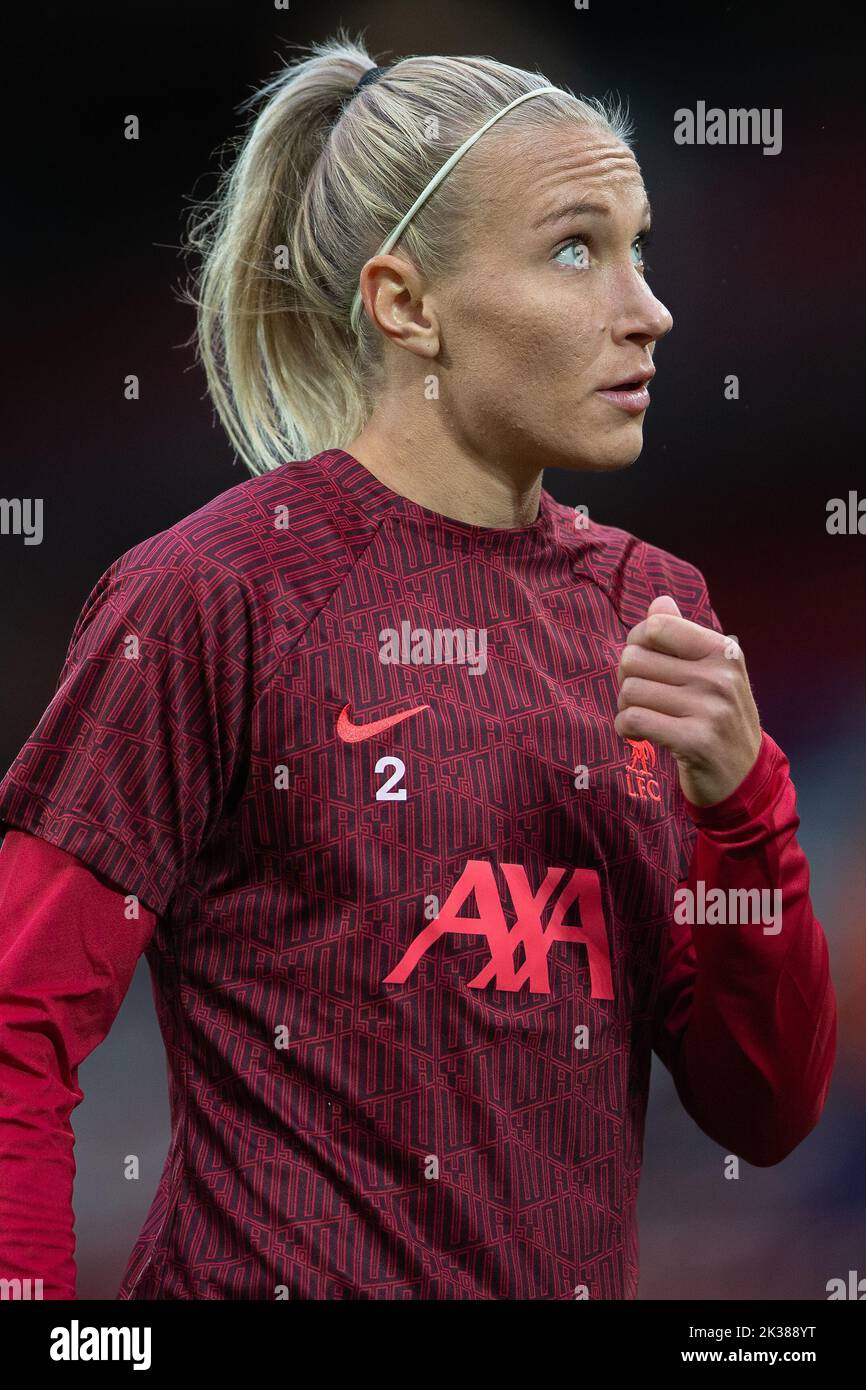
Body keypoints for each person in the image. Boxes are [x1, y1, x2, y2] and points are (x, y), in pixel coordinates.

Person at [0, 34, 835, 1301]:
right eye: (575, 249)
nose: (648, 306)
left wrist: (744, 809)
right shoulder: (212, 594)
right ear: (405, 304)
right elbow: (16, 1024)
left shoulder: (654, 611)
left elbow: (761, 1109)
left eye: (640, 245)